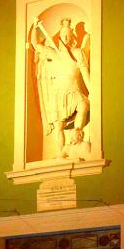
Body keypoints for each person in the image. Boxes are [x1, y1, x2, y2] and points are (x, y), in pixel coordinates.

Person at [28, 17, 91, 161]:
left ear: (72, 38)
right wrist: (35, 27)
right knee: (59, 127)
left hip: (74, 89)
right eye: (63, 36)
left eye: (68, 35)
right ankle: (60, 154)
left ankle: (76, 135)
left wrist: (92, 91)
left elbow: (85, 74)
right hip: (58, 93)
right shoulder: (52, 53)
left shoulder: (77, 52)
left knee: (83, 105)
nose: (66, 38)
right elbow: (35, 44)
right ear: (59, 38)